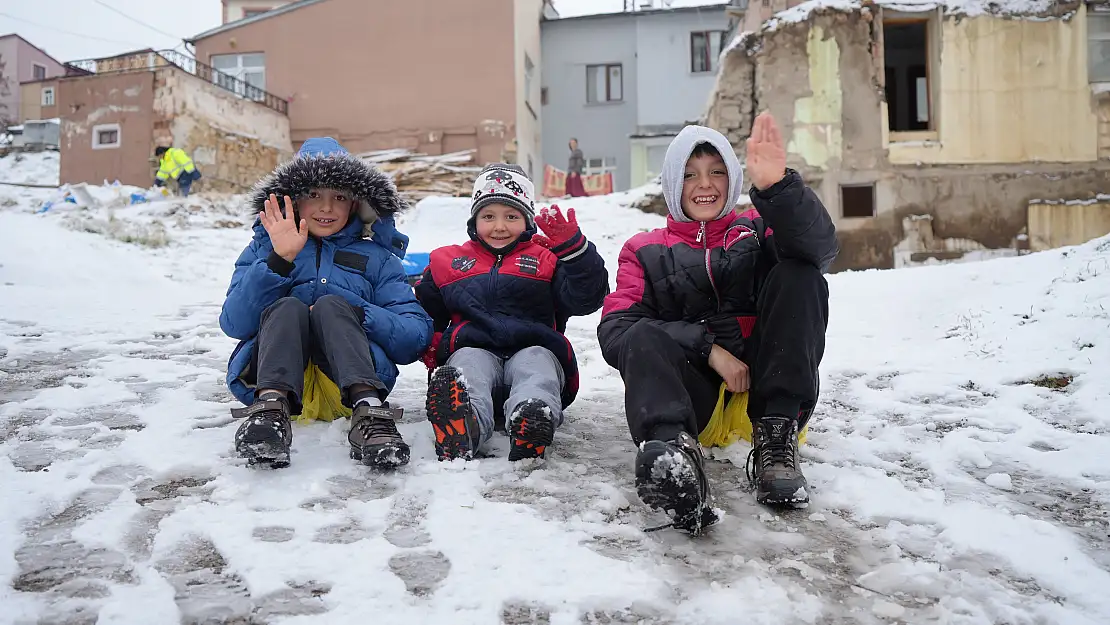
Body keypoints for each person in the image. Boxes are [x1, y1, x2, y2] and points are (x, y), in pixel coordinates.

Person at [597, 113, 838, 534]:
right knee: (642, 334)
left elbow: (820, 249)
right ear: (673, 183)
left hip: (766, 399)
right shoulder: (644, 250)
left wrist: (776, 189)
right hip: (695, 407)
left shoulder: (759, 232)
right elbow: (617, 331)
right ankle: (675, 460)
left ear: (733, 179)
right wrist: (708, 349)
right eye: (689, 175)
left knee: (800, 274)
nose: (704, 184)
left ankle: (776, 447)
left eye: (716, 172)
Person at [219, 137, 433, 470]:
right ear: (292, 200)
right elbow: (234, 323)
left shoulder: (377, 259)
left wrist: (358, 312)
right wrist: (280, 259)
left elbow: (414, 337)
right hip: (282, 385)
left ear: (356, 204)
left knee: (333, 305)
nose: (327, 208)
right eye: (314, 195)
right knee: (288, 307)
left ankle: (371, 415)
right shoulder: (264, 250)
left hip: (349, 386)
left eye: (339, 197)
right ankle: (269, 415)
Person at [415, 163, 608, 461]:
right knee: (467, 364)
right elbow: (426, 311)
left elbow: (586, 300)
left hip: (534, 349)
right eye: (488, 216)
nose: (500, 226)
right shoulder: (448, 261)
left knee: (537, 365)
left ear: (528, 219)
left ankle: (532, 418)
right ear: (474, 220)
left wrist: (575, 253)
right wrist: (431, 344)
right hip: (475, 349)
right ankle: (465, 427)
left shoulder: (547, 259)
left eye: (512, 216)